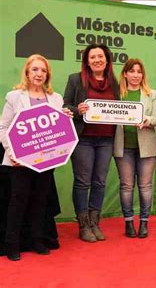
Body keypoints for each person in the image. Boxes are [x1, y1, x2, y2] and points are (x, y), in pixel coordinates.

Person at [0, 55, 69, 261]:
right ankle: (12, 244)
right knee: (18, 201)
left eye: (43, 71)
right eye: (35, 70)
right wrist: (12, 153)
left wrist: (65, 119)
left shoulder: (56, 98)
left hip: (46, 161)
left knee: (41, 200)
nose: (39, 74)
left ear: (48, 75)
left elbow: (57, 130)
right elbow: (3, 127)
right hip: (19, 162)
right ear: (28, 72)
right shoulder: (14, 96)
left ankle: (37, 240)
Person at [63, 44, 119, 243]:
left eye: (100, 56)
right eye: (93, 57)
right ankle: (84, 225)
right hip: (83, 139)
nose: (97, 60)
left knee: (99, 182)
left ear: (107, 60)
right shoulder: (75, 79)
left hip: (106, 139)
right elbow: (65, 106)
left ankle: (95, 222)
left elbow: (120, 109)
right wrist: (78, 110)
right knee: (82, 182)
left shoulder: (114, 82)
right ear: (87, 61)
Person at [114, 59, 156, 239]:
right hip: (123, 146)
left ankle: (144, 223)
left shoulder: (151, 94)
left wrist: (147, 120)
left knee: (145, 186)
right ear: (125, 74)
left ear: (143, 75)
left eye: (139, 71)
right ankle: (128, 223)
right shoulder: (117, 93)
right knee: (126, 186)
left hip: (146, 146)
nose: (135, 75)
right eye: (131, 71)